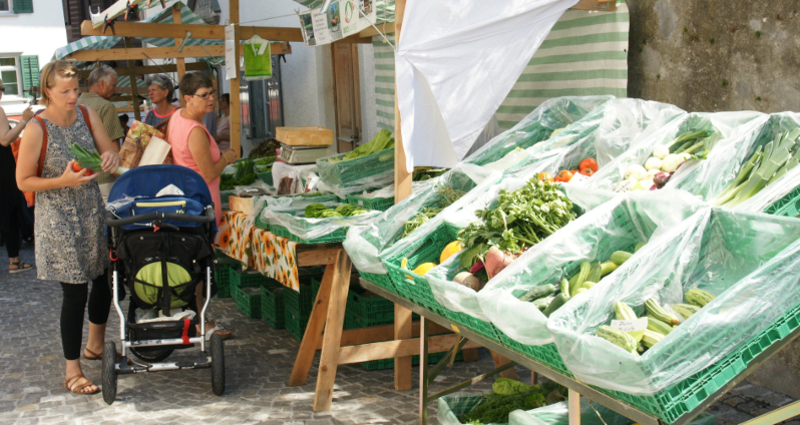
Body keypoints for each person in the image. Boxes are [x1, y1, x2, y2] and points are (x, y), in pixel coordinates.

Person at [16, 61, 121, 395]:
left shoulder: (87, 115)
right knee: (75, 293)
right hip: (57, 218)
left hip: (91, 210)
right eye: (65, 91)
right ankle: (72, 370)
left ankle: (96, 344)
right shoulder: (36, 128)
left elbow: (111, 150)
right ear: (48, 90)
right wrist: (63, 179)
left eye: (76, 89)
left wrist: (110, 158)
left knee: (104, 278)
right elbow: (23, 181)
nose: (73, 96)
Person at [167, 72, 238, 340]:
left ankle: (199, 319)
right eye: (204, 95)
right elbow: (208, 173)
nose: (211, 99)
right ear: (188, 98)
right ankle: (200, 323)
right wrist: (228, 157)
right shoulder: (195, 130)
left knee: (195, 267)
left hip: (189, 203)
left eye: (212, 93)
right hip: (200, 208)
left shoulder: (177, 118)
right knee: (198, 269)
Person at [0, 78, 34, 273]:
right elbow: (5, 140)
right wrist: (24, 120)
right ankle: (14, 260)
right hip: (3, 168)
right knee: (10, 212)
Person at [77, 65, 125, 203]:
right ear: (102, 84)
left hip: (82, 177)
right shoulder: (106, 106)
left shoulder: (77, 105)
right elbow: (113, 149)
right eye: (113, 86)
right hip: (104, 178)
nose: (115, 90)